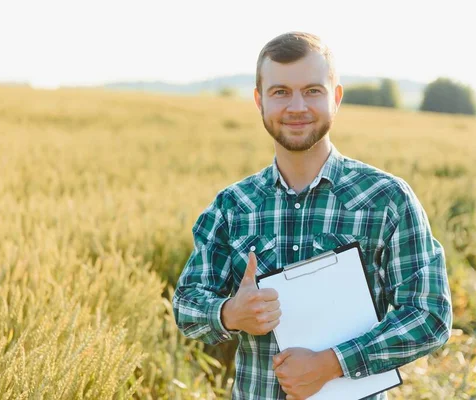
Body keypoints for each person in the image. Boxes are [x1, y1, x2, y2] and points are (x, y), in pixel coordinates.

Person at [172, 31, 453, 400]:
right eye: (280, 92)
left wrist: (332, 363)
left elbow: (429, 315)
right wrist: (229, 314)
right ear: (259, 101)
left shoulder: (387, 200)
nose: (297, 106)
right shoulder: (232, 206)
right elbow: (186, 304)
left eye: (313, 90)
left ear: (335, 98)